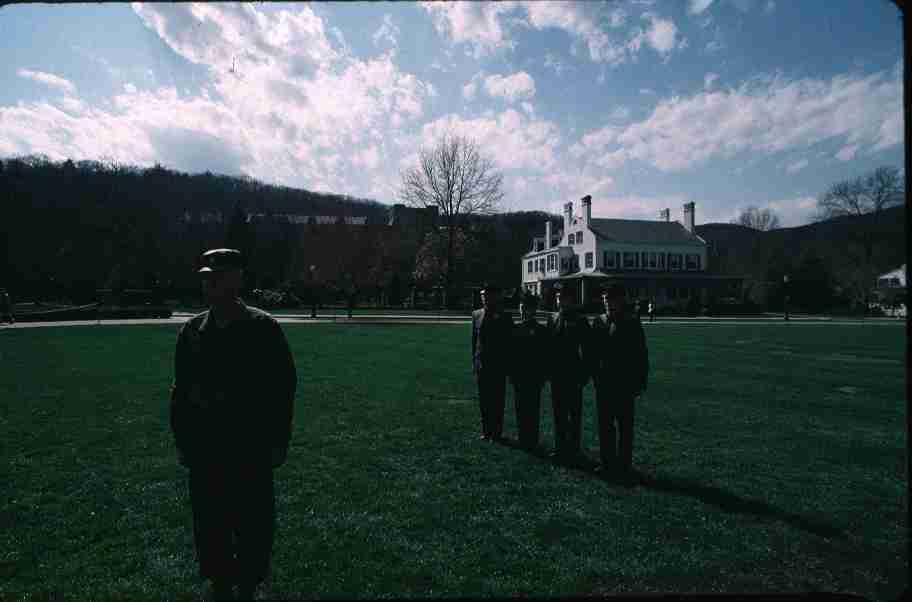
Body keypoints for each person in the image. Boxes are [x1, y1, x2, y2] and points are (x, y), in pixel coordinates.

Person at [170, 248, 297, 601]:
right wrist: (182, 440)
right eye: (206, 277)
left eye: (218, 276)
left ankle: (251, 583)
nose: (209, 283)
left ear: (236, 279)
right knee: (210, 522)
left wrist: (278, 442)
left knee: (253, 521)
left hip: (250, 446)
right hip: (205, 447)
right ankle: (219, 581)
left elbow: (282, 389)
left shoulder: (262, 328)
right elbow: (180, 390)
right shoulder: (193, 331)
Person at [591, 284, 649, 484]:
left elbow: (641, 354)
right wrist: (594, 376)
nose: (607, 302)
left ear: (621, 300)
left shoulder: (631, 322)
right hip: (604, 383)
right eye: (605, 299)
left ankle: (624, 465)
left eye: (611, 299)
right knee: (605, 426)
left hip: (624, 384)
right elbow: (592, 353)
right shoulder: (599, 321)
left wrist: (640, 382)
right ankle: (607, 463)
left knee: (625, 427)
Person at [546, 284, 591, 465]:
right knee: (558, 414)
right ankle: (560, 448)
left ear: (570, 300)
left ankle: (574, 450)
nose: (559, 300)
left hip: (573, 376)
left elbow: (588, 351)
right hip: (557, 375)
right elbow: (548, 349)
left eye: (562, 298)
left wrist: (584, 376)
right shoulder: (553, 318)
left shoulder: (580, 320)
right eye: (557, 297)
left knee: (574, 415)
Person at [471, 283, 512, 441]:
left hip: (498, 364)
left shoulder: (505, 316)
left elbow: (509, 343)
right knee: (484, 399)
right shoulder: (476, 314)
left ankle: (497, 431)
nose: (484, 298)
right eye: (482, 295)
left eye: (487, 295)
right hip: (482, 364)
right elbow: (474, 341)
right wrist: (474, 361)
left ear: (495, 297)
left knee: (497, 400)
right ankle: (486, 430)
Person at [509, 292, 549, 452]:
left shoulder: (541, 330)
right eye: (521, 308)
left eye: (525, 308)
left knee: (533, 408)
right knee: (520, 408)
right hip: (519, 376)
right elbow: (510, 355)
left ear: (533, 310)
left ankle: (532, 438)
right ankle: (523, 437)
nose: (522, 311)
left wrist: (542, 375)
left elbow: (545, 355)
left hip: (534, 377)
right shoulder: (515, 329)